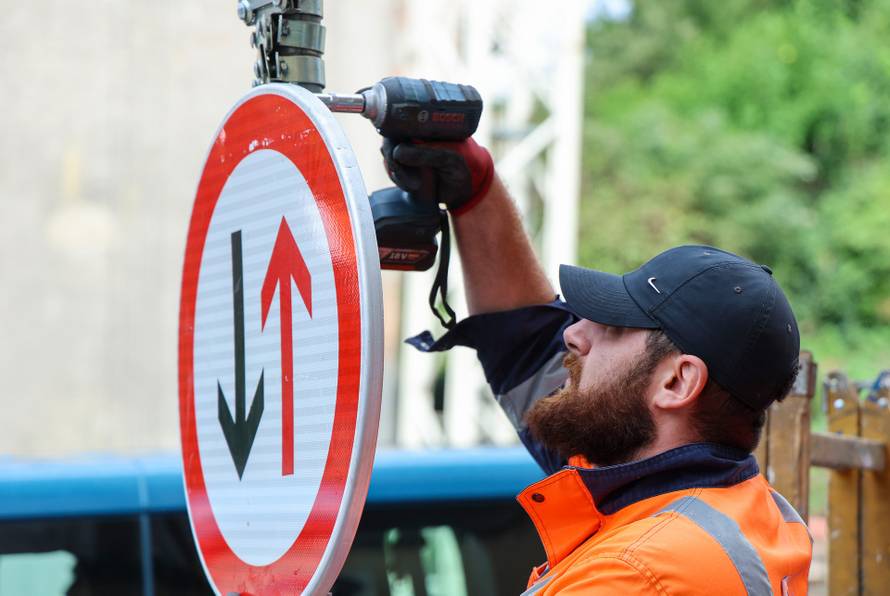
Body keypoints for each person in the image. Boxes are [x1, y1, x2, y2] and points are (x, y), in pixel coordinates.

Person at [381, 137, 813, 594]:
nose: (573, 332)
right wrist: (475, 187)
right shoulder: (733, 506)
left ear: (677, 381)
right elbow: (525, 345)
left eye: (614, 326)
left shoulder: (635, 573)